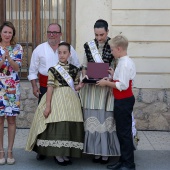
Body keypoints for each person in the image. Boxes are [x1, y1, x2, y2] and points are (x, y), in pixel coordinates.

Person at [25, 42, 84, 166]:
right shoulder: (52, 69)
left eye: (64, 52)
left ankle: (66, 152)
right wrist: (47, 105)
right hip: (57, 98)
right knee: (58, 121)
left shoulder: (74, 69)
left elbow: (76, 87)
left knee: (69, 123)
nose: (61, 55)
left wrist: (81, 84)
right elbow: (50, 87)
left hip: (71, 100)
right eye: (59, 52)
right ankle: (58, 153)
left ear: (69, 54)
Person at [80, 19, 121, 164]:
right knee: (92, 117)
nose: (98, 38)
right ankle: (95, 152)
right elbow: (84, 65)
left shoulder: (114, 46)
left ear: (107, 32)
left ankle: (105, 152)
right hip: (92, 90)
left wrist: (112, 74)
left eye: (101, 35)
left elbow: (118, 68)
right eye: (96, 35)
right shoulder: (88, 46)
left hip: (106, 90)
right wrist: (84, 74)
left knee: (105, 119)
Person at [97, 35, 136, 170]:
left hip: (124, 101)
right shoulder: (123, 61)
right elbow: (121, 80)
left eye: (112, 49)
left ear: (119, 49)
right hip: (121, 100)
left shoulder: (125, 63)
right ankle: (123, 160)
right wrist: (114, 75)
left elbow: (123, 85)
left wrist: (107, 83)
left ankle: (129, 164)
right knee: (121, 132)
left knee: (124, 133)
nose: (111, 52)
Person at [0, 21, 23, 165]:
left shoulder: (17, 48)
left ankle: (10, 151)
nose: (8, 35)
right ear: (0, 33)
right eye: (5, 32)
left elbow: (17, 68)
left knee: (12, 120)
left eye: (10, 32)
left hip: (13, 88)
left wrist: (9, 58)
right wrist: (2, 60)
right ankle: (0, 151)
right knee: (0, 120)